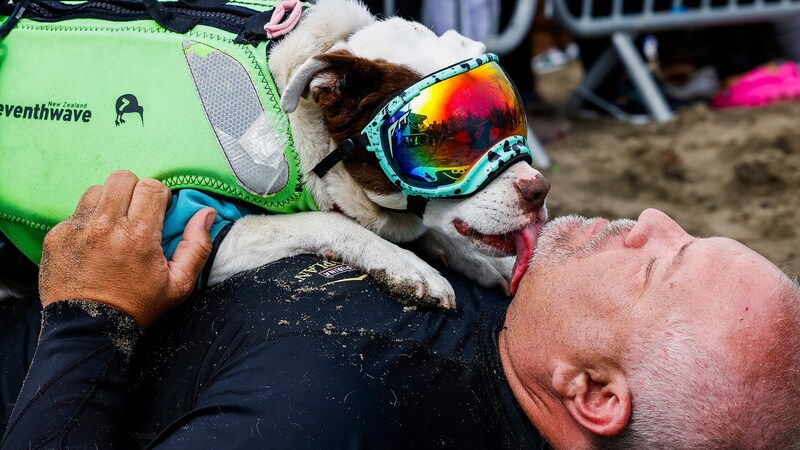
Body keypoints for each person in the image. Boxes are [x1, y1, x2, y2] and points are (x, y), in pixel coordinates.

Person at [2, 171, 800, 449]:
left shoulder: (332, 420)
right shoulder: (519, 324)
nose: (649, 221)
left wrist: (88, 313)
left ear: (593, 394)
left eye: (660, 264)